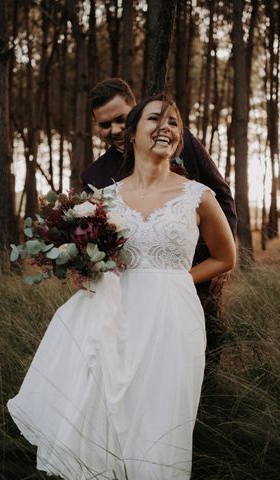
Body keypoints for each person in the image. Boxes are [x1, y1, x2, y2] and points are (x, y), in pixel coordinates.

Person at [8, 93, 237, 479]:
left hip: (172, 318)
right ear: (131, 134)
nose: (165, 127)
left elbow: (225, 257)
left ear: (180, 139)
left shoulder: (198, 196)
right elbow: (90, 255)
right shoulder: (103, 200)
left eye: (173, 123)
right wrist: (82, 267)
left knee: (161, 418)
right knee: (107, 413)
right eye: (154, 120)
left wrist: (180, 280)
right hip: (112, 317)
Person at [82, 78, 237, 369]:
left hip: (191, 268)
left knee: (197, 348)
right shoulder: (96, 177)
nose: (114, 130)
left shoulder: (181, 139)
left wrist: (208, 257)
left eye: (121, 119)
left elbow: (221, 195)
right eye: (104, 125)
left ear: (135, 113)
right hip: (128, 291)